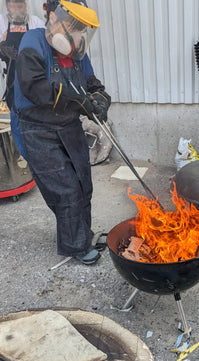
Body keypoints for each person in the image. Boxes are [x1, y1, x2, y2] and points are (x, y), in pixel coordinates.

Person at [14, 0, 111, 265]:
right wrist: (74, 99)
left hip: (68, 126)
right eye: (74, 25)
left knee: (83, 183)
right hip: (38, 130)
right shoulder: (34, 41)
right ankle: (75, 245)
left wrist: (99, 98)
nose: (77, 34)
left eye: (81, 28)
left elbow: (91, 83)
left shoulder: (77, 52)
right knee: (66, 189)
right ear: (53, 18)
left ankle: (84, 235)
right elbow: (32, 85)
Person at [0, 0, 45, 158]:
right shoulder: (1, 22)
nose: (17, 10)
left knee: (37, 124)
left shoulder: (36, 23)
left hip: (35, 81)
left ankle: (41, 159)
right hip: (13, 83)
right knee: (17, 125)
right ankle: (29, 160)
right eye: (13, 6)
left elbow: (46, 51)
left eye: (20, 6)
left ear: (26, 6)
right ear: (7, 6)